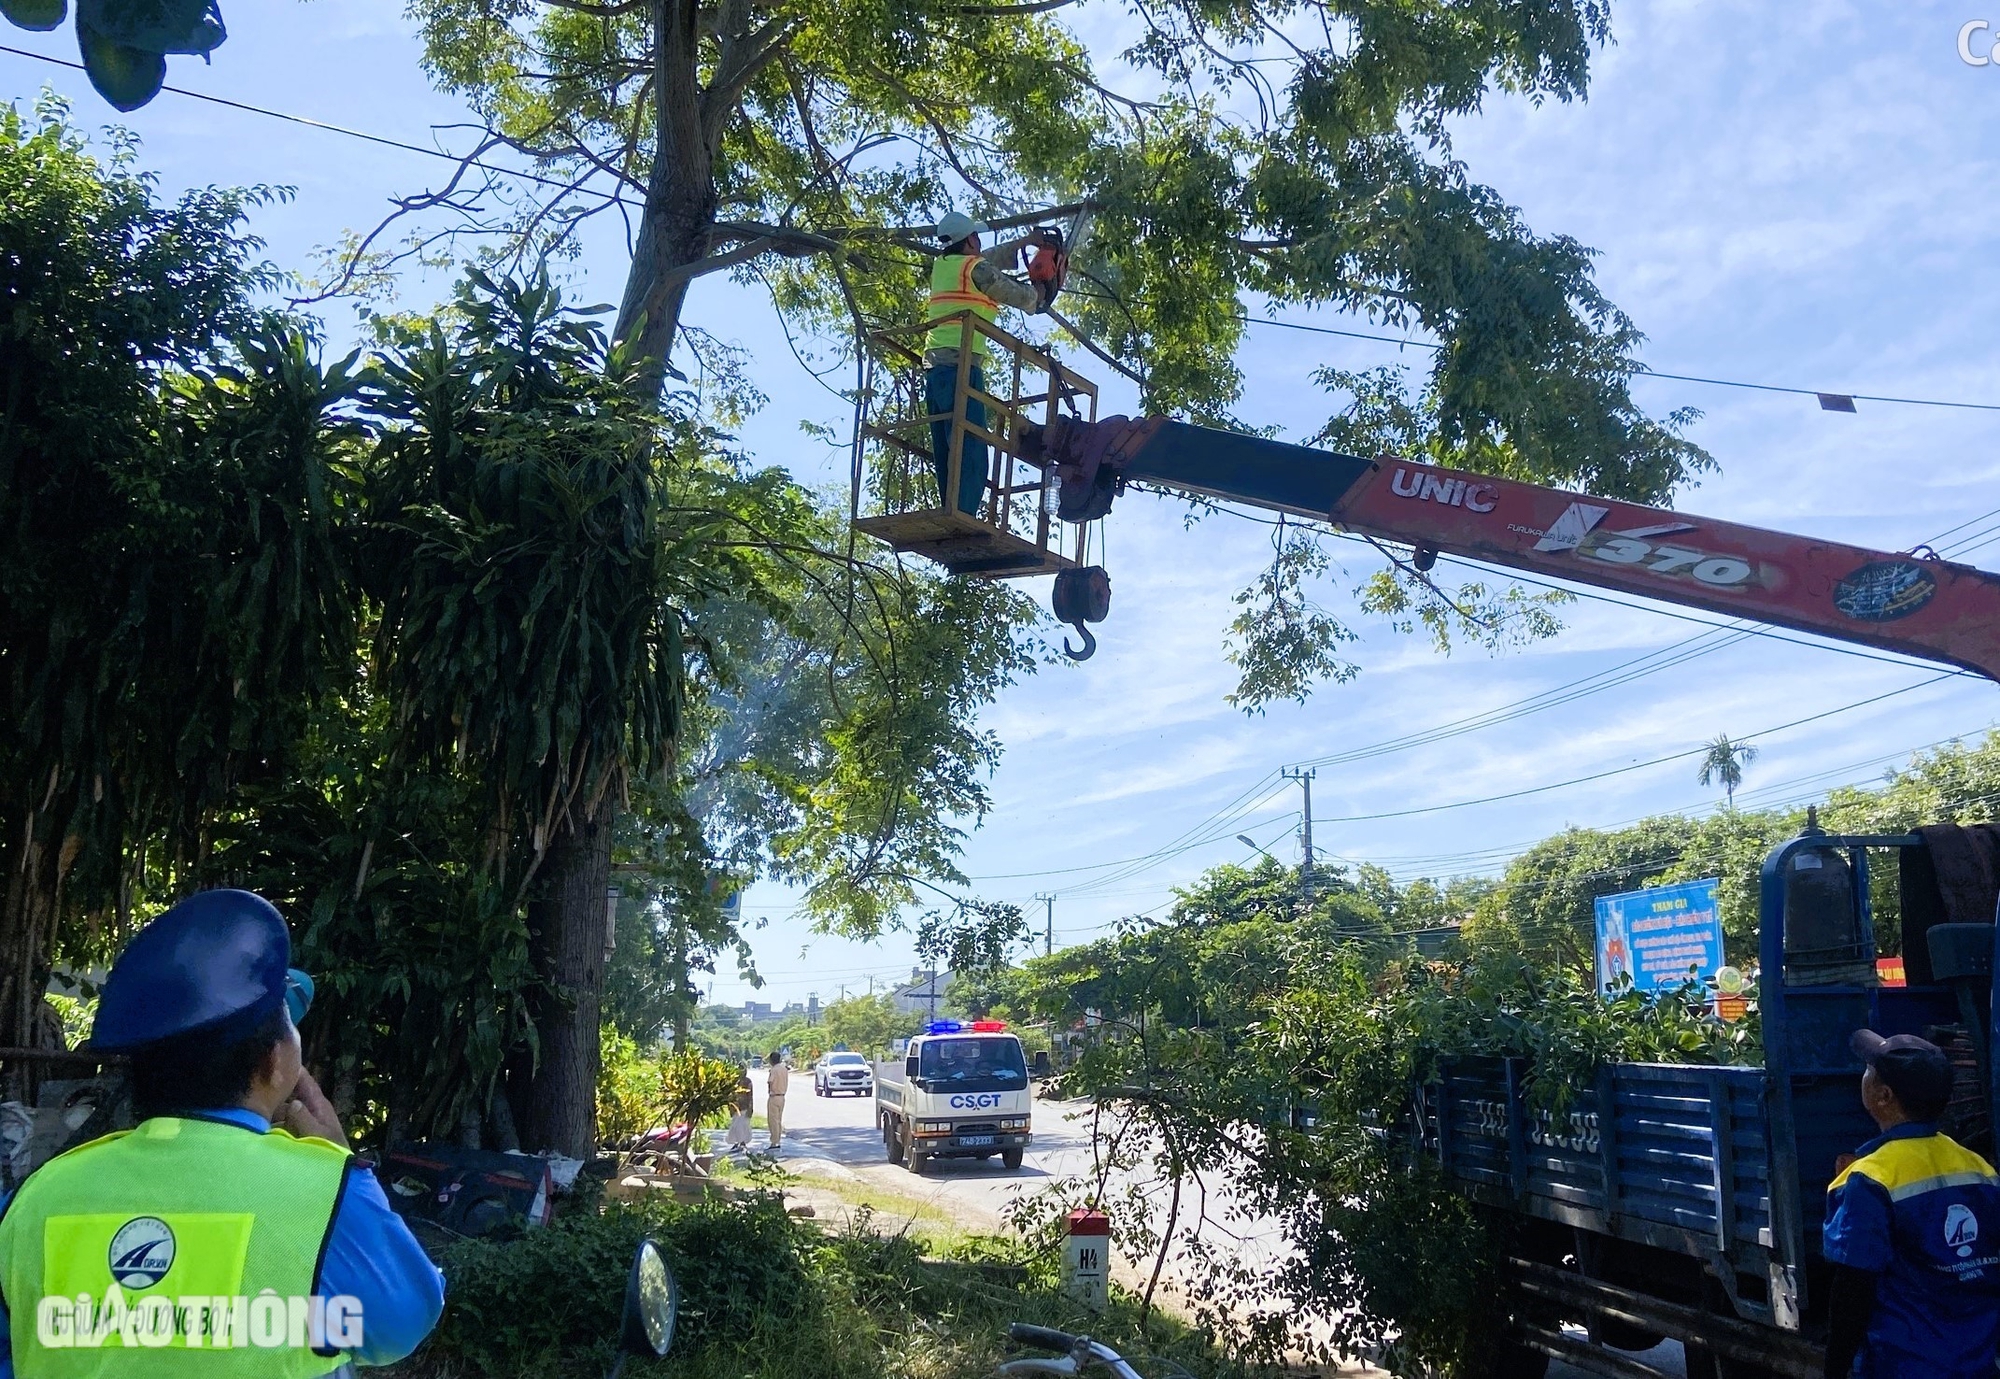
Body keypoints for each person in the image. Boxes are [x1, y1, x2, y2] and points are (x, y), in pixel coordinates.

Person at [0, 889, 445, 1375]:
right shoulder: (326, 1194)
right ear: (273, 1061)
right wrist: (340, 1165)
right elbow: (394, 1328)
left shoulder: (35, 1197)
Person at [1822, 1029, 2000, 1379]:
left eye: (1870, 1069)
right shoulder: (1979, 1169)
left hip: (1904, 1364)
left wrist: (1834, 1370)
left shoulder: (1869, 1178)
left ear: (1883, 1095)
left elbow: (1852, 1291)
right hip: (1978, 1362)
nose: (1865, 1075)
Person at [924, 210, 1042, 517]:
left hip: (937, 367)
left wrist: (1027, 242)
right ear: (970, 239)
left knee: (949, 448)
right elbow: (1015, 294)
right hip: (960, 366)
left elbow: (991, 258)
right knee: (971, 444)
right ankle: (964, 514)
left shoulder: (947, 265)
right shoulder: (976, 270)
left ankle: (953, 510)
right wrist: (1039, 293)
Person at [764, 1050, 789, 1154]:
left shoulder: (773, 1070)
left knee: (773, 1120)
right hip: (782, 1096)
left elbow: (770, 1082)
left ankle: (774, 1142)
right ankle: (777, 1140)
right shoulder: (784, 1069)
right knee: (778, 1120)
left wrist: (769, 1091)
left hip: (774, 1096)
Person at [725, 1067, 753, 1153]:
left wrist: (750, 1108)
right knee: (736, 1126)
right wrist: (730, 1107)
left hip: (744, 1107)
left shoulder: (748, 1082)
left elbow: (750, 1096)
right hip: (736, 1108)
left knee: (743, 1126)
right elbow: (729, 1095)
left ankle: (742, 1142)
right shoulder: (733, 1081)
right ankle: (737, 1142)